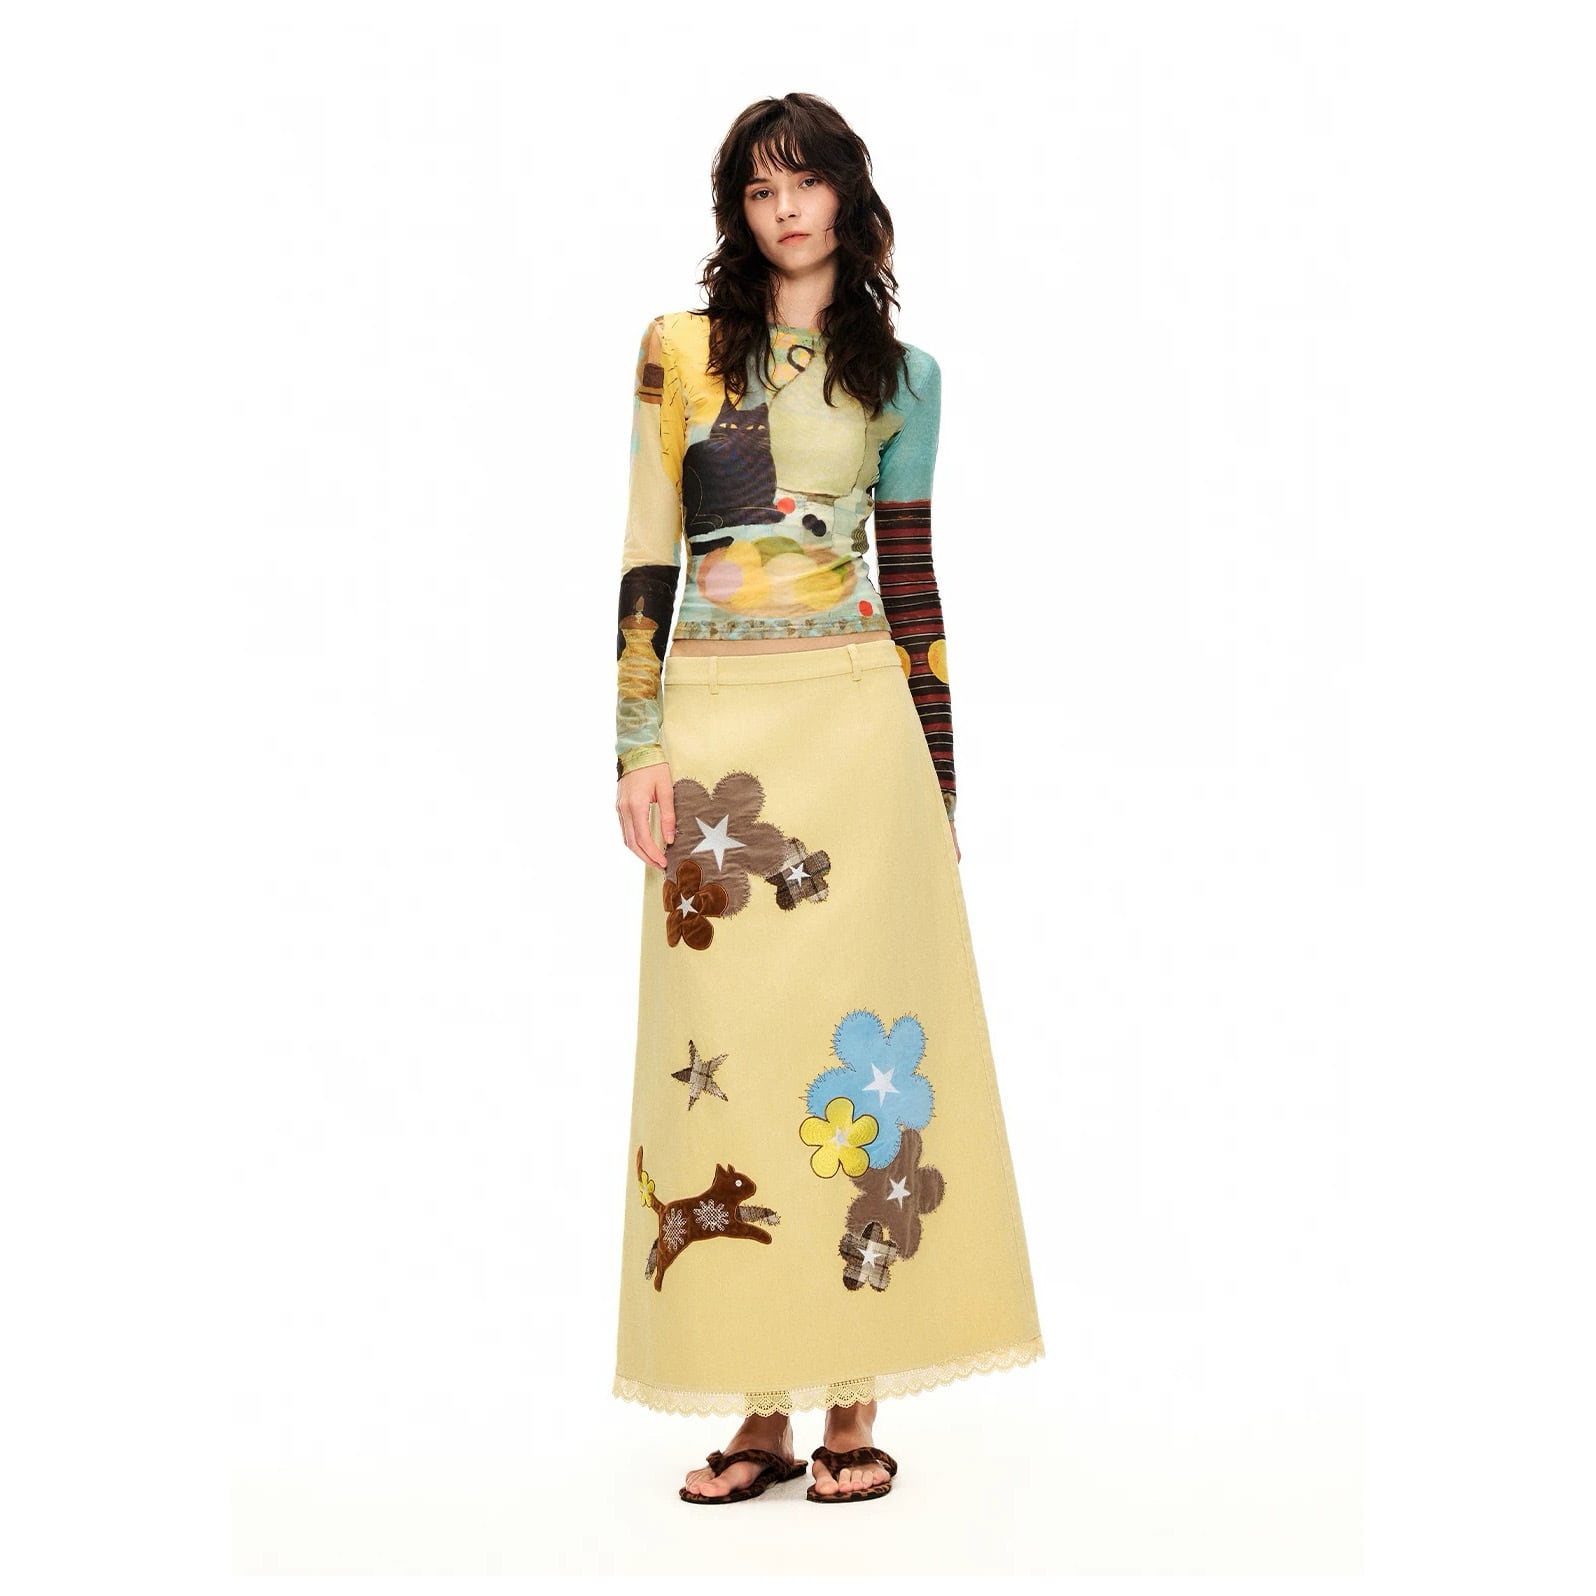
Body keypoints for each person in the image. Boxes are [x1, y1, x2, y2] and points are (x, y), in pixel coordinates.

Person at [612, 92, 1044, 1505]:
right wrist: (636, 744)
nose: (784, 209)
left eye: (805, 183)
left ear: (850, 198)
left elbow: (910, 580)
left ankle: (853, 1402)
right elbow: (649, 551)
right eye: (758, 188)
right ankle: (758, 1412)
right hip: (717, 744)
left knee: (862, 1068)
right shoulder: (680, 352)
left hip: (863, 742)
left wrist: (943, 788)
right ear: (736, 212)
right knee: (726, 1057)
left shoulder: (905, 378)